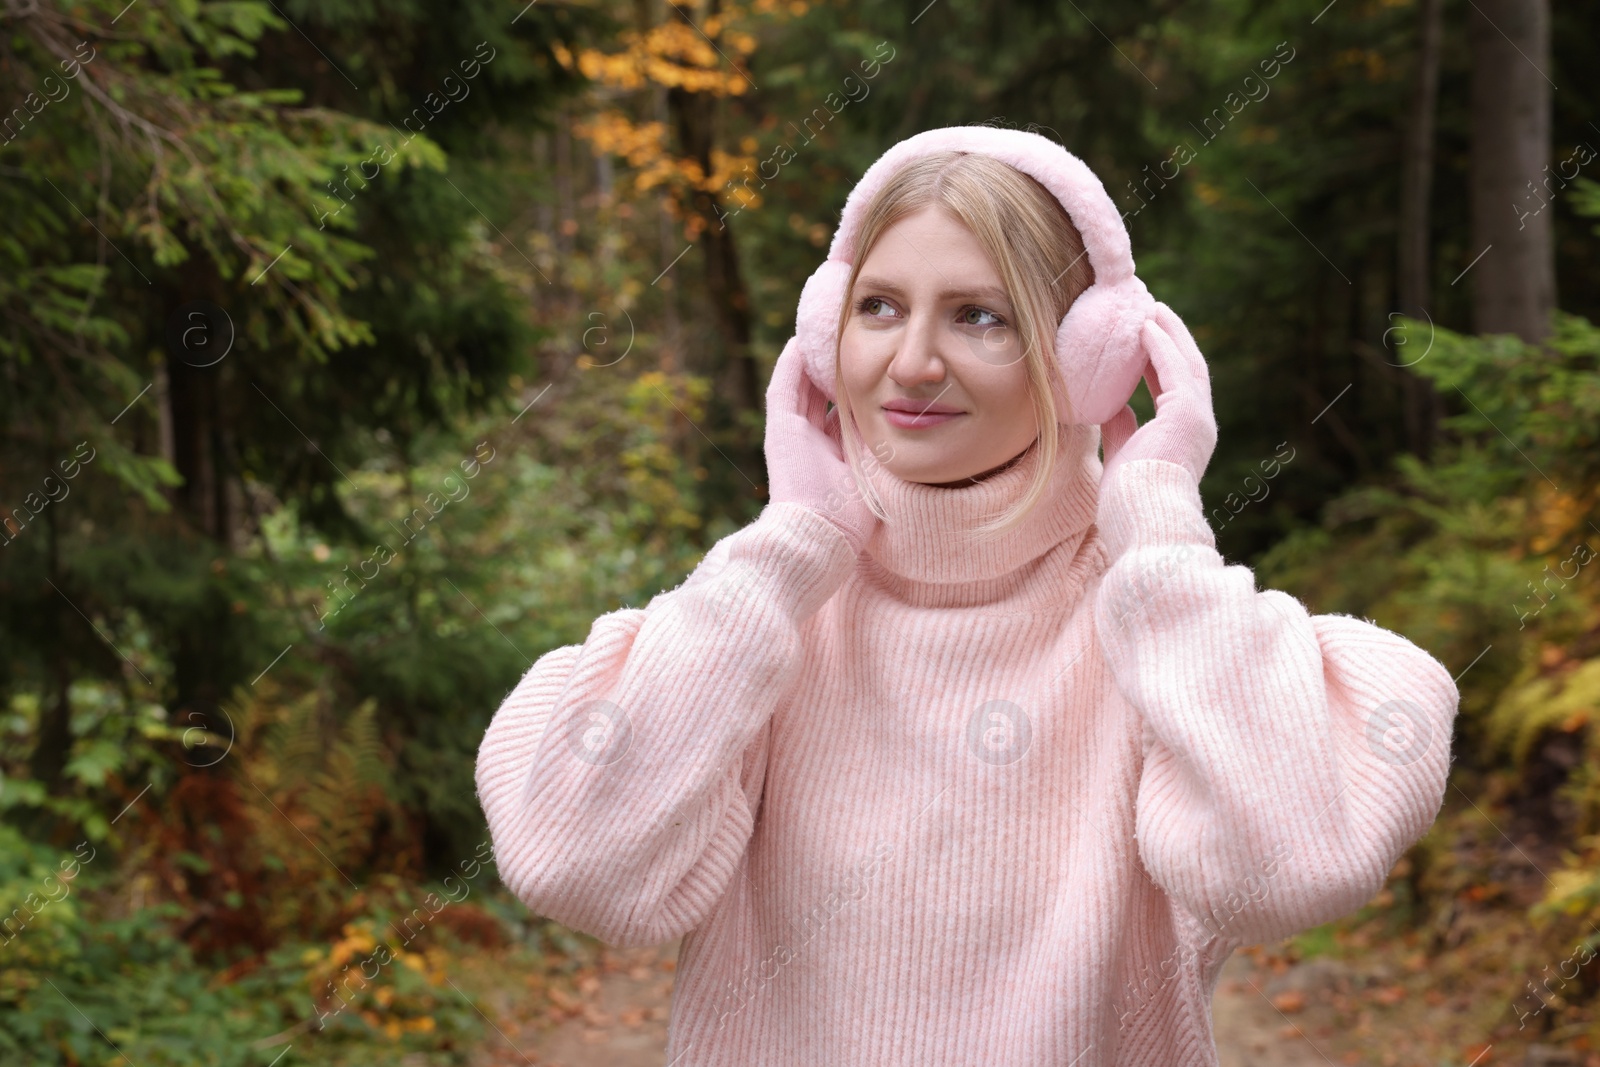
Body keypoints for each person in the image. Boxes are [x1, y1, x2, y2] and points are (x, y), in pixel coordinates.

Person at [474, 126, 1459, 1066]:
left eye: (978, 315)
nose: (909, 364)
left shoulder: (1164, 627)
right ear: (823, 335)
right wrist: (784, 549)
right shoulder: (760, 619)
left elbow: (1293, 861)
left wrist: (1158, 528)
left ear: (1087, 357)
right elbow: (575, 861)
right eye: (879, 307)